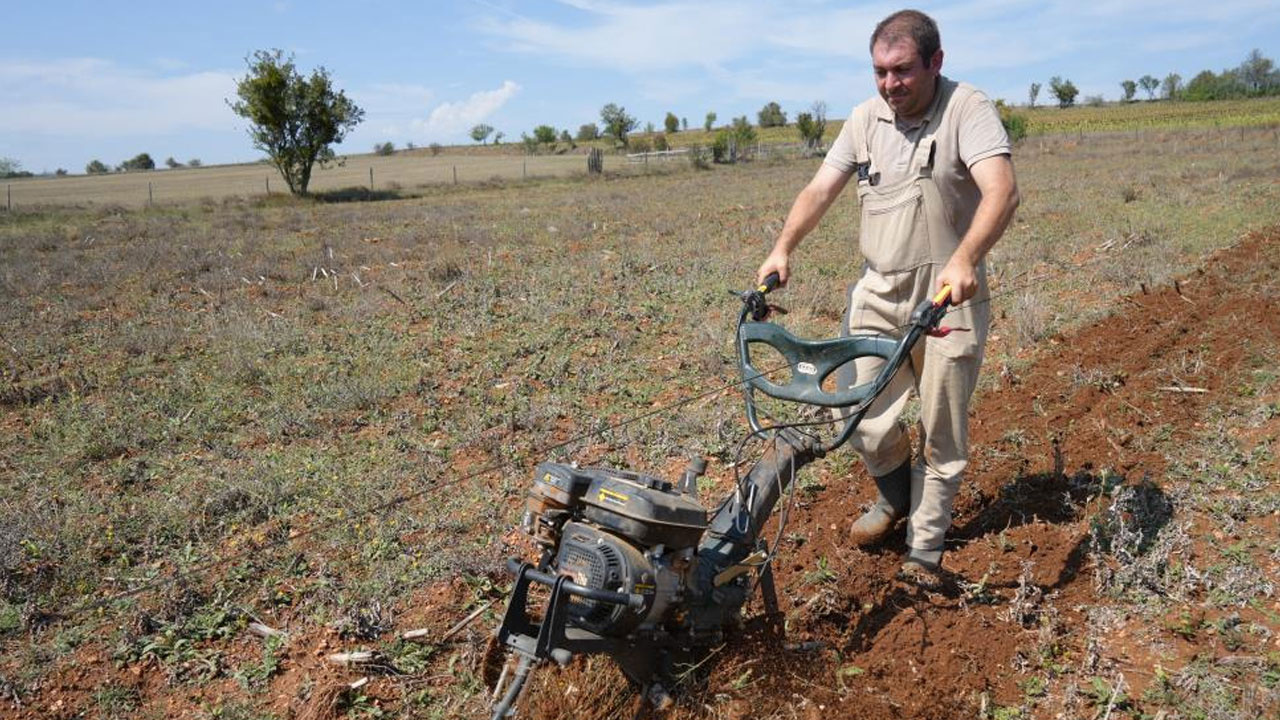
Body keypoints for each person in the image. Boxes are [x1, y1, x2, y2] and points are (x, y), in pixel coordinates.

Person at [755, 9, 1019, 584]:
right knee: (861, 414)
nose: (889, 84)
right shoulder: (864, 119)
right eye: (879, 71)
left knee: (942, 433)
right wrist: (783, 248)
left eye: (901, 71)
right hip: (879, 292)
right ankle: (897, 498)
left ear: (935, 63)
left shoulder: (965, 108)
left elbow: (1002, 190)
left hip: (949, 295)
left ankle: (924, 548)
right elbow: (820, 188)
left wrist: (966, 257)